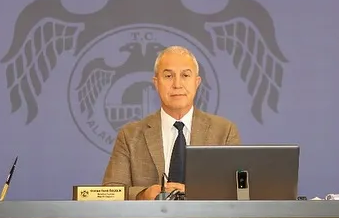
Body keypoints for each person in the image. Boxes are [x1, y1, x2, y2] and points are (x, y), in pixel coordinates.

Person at [103, 45, 241, 200]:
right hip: (149, 217)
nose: (177, 84)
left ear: (197, 82)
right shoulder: (130, 135)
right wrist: (143, 194)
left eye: (185, 75)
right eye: (168, 76)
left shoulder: (224, 132)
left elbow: (237, 191)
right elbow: (110, 191)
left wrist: (195, 192)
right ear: (156, 83)